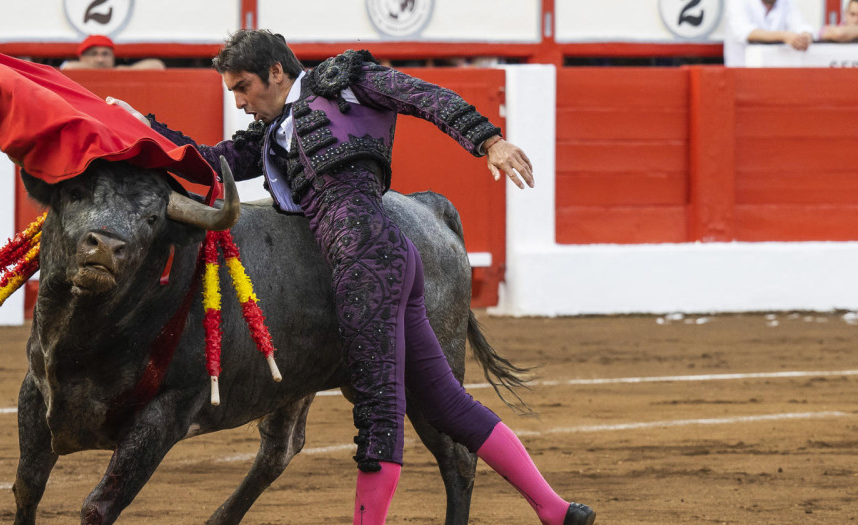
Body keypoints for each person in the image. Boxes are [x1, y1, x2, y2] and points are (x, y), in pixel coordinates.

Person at [111, 30, 594, 525]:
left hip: (366, 264)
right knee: (446, 402)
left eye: (242, 86)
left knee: (379, 416)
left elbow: (426, 97)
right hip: (384, 258)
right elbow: (209, 161)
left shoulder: (345, 82)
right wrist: (144, 128)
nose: (238, 102)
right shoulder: (273, 133)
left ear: (276, 72)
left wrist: (490, 141)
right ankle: (556, 510)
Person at [723, 0, 816, 66]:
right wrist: (784, 36)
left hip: (773, 76)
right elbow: (746, 32)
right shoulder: (737, 2)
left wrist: (805, 37)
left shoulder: (786, 2)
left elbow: (801, 25)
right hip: (739, 73)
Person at [59, 34, 165, 70]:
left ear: (113, 56)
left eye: (105, 54)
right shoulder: (73, 66)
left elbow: (157, 65)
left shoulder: (120, 69)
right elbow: (67, 67)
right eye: (93, 54)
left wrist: (125, 70)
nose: (100, 59)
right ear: (82, 57)